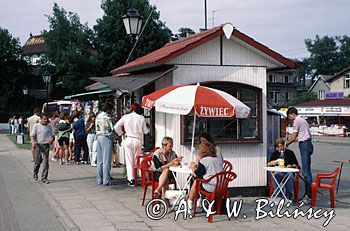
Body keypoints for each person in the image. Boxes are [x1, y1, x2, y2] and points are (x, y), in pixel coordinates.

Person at [114, 103, 149, 187]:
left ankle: (131, 179)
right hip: (138, 140)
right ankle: (136, 176)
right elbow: (146, 131)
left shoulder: (126, 117)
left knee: (129, 160)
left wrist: (121, 133)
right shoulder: (142, 118)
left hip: (128, 138)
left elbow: (116, 126)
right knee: (136, 159)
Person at [285, 107, 314, 204]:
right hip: (308, 143)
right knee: (307, 171)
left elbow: (293, 136)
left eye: (289, 116)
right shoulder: (303, 120)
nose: (290, 119)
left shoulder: (296, 121)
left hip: (304, 145)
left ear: (292, 114)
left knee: (306, 172)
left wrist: (286, 143)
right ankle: (308, 194)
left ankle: (309, 196)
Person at [188, 142, 223, 210]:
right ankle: (201, 200)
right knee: (202, 180)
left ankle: (190, 200)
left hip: (211, 187)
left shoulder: (205, 160)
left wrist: (193, 168)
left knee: (196, 181)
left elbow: (196, 174)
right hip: (220, 187)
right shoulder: (217, 159)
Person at [267, 138, 299, 202]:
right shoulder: (275, 154)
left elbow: (297, 165)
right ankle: (278, 195)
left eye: (281, 146)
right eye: (278, 147)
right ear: (276, 148)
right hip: (279, 171)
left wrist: (291, 166)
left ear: (284, 145)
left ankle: (288, 194)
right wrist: (272, 163)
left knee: (289, 176)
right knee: (276, 176)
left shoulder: (290, 153)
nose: (280, 148)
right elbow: (268, 164)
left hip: (288, 171)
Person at [95, 101, 116, 185]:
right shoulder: (107, 117)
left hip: (98, 137)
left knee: (100, 160)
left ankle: (99, 179)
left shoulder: (98, 116)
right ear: (108, 109)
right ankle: (106, 180)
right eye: (110, 109)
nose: (111, 111)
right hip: (106, 137)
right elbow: (112, 128)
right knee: (106, 160)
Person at [30, 113, 53, 184]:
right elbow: (32, 135)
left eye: (47, 119)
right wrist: (33, 142)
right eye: (44, 119)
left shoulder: (49, 126)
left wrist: (51, 139)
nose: (46, 120)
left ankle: (44, 178)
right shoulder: (36, 126)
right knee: (38, 161)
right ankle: (35, 173)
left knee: (46, 162)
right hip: (38, 145)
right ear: (41, 119)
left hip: (46, 145)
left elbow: (51, 135)